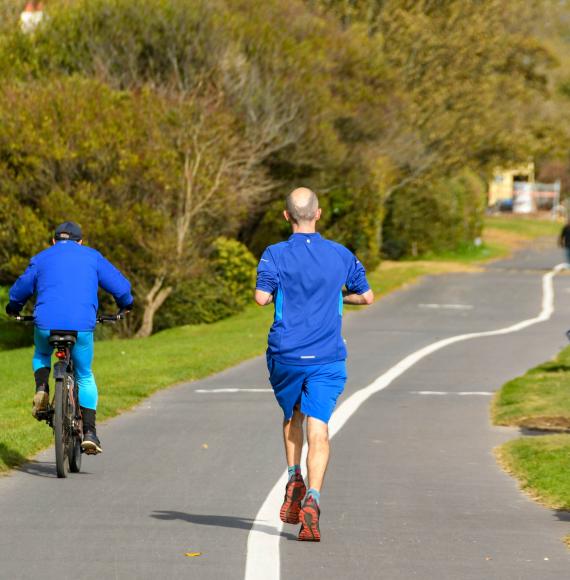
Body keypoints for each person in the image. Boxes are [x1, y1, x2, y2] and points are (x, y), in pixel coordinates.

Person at [255, 187, 374, 541]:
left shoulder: (274, 254)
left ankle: (294, 476)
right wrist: (337, 294)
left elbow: (261, 298)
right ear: (318, 214)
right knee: (319, 429)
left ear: (286, 215)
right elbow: (366, 296)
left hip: (287, 353)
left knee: (293, 414)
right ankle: (313, 498)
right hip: (327, 355)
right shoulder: (341, 255)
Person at [5, 221, 133, 454]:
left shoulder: (42, 257)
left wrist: (13, 307)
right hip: (81, 326)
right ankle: (91, 433)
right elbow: (121, 288)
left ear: (54, 241)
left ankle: (42, 388)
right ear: (81, 241)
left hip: (46, 325)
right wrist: (125, 305)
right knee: (84, 375)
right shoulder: (92, 257)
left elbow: (20, 289)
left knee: (42, 353)